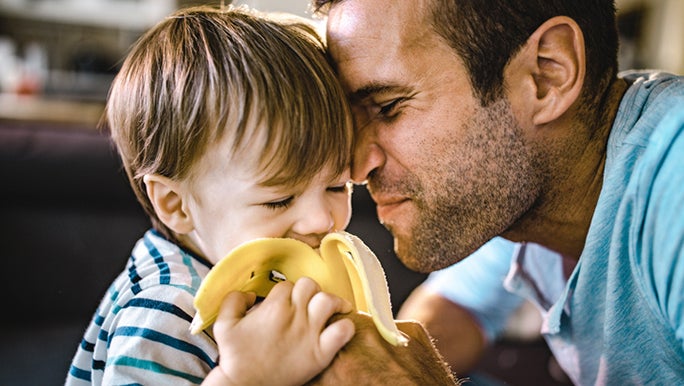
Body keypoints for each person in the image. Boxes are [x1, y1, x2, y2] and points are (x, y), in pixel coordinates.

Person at [313, 0, 684, 384]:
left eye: (388, 107)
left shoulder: (675, 178)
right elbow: (455, 307)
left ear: (546, 74)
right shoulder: (529, 184)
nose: (355, 168)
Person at [65, 6, 361, 385]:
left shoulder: (255, 274)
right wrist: (245, 379)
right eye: (280, 199)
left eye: (337, 186)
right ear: (176, 205)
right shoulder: (166, 312)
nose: (324, 219)